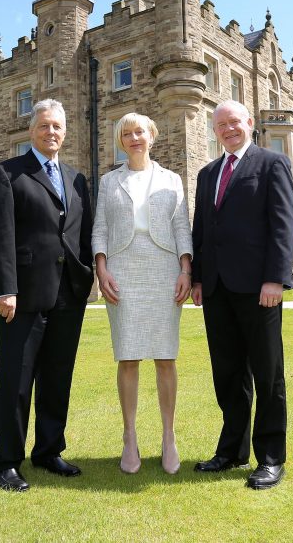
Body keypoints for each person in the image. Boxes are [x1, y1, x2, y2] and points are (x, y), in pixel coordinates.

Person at [0, 98, 94, 492]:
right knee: (16, 378)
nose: (51, 132)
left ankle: (48, 451)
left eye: (58, 127)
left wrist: (87, 279)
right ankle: (5, 460)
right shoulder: (9, 174)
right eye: (45, 126)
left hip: (68, 295)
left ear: (65, 132)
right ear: (32, 130)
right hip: (24, 295)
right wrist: (4, 289)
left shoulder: (77, 179)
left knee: (57, 378)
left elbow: (83, 233)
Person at [190, 99, 293, 490]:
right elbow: (202, 229)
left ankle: (270, 457)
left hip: (258, 288)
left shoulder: (271, 164)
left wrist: (275, 279)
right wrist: (199, 278)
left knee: (268, 374)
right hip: (217, 288)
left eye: (234, 122)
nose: (228, 129)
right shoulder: (206, 173)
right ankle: (231, 450)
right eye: (220, 125)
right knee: (228, 374)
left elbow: (284, 225)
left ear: (249, 123)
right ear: (214, 130)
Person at [92, 113, 192, 475]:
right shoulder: (108, 181)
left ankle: (169, 436)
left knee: (166, 357)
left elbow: (182, 225)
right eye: (127, 134)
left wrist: (185, 269)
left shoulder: (172, 179)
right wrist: (101, 268)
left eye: (140, 132)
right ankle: (130, 436)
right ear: (121, 140)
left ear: (152, 136)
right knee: (129, 357)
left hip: (165, 269)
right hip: (122, 270)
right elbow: (99, 226)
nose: (134, 138)